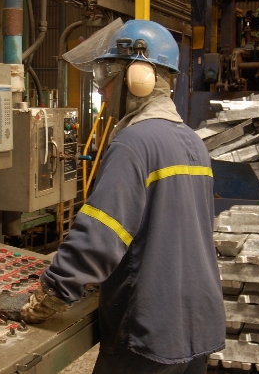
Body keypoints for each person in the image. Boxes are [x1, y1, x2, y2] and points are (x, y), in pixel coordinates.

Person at [19, 20, 226, 373]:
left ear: (139, 77)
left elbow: (99, 237)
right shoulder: (192, 142)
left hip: (151, 328)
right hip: (198, 320)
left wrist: (51, 294)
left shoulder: (134, 143)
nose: (101, 90)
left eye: (106, 75)